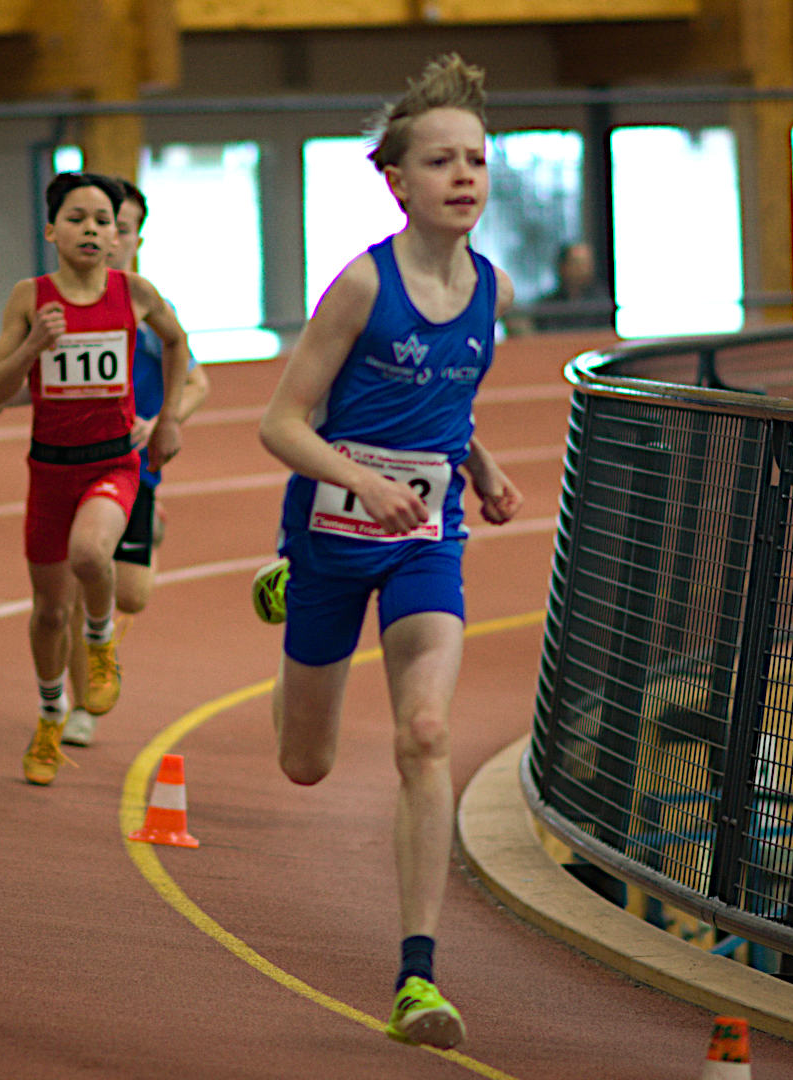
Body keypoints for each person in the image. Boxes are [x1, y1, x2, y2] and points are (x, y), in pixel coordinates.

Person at [249, 54, 522, 1050]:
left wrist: (481, 468)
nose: (464, 177)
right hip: (332, 530)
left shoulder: (490, 288)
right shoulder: (363, 283)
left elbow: (447, 406)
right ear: (397, 179)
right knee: (305, 764)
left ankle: (417, 979)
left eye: (478, 161)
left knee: (424, 735)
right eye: (441, 160)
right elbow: (280, 422)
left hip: (424, 545)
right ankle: (289, 602)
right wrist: (360, 481)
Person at [0, 178, 213, 749]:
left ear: (121, 235)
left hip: (118, 462)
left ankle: (103, 643)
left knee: (99, 567)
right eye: (78, 219)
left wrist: (169, 419)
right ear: (51, 230)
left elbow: (182, 350)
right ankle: (56, 712)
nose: (95, 231)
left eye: (105, 222)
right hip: (51, 470)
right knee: (54, 611)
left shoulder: (137, 293)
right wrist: (32, 349)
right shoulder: (29, 298)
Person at [528, 241, 612, 332]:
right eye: (577, 263)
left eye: (586, 264)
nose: (582, 269)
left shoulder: (602, 304)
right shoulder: (547, 306)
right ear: (562, 267)